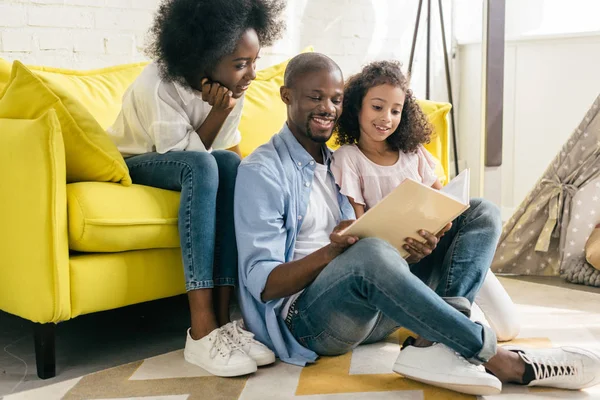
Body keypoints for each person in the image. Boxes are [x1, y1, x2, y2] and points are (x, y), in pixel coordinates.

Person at [233, 52, 600, 395]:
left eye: (335, 98)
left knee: (478, 210)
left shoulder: (340, 162)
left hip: (375, 304)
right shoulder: (263, 171)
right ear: (286, 95)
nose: (327, 109)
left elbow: (377, 252)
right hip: (312, 321)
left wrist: (416, 244)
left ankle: (435, 343)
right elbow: (263, 284)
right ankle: (499, 359)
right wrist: (334, 252)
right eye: (315, 98)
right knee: (371, 251)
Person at [106, 0, 285, 377]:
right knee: (205, 164)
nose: (251, 73)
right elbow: (187, 157)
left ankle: (223, 324)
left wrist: (253, 183)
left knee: (233, 165)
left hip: (189, 159)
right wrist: (219, 111)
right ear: (203, 57)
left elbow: (228, 150)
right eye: (240, 64)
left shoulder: (233, 84)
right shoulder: (159, 83)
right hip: (138, 162)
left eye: (254, 61)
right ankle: (201, 329)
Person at [331, 60, 521, 341]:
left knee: (485, 211)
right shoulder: (348, 158)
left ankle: (451, 314)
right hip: (395, 265)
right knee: (500, 330)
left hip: (435, 250)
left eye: (396, 110)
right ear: (357, 106)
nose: (387, 118)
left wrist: (441, 226)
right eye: (377, 107)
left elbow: (444, 202)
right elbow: (358, 227)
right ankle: (450, 325)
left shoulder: (414, 154)